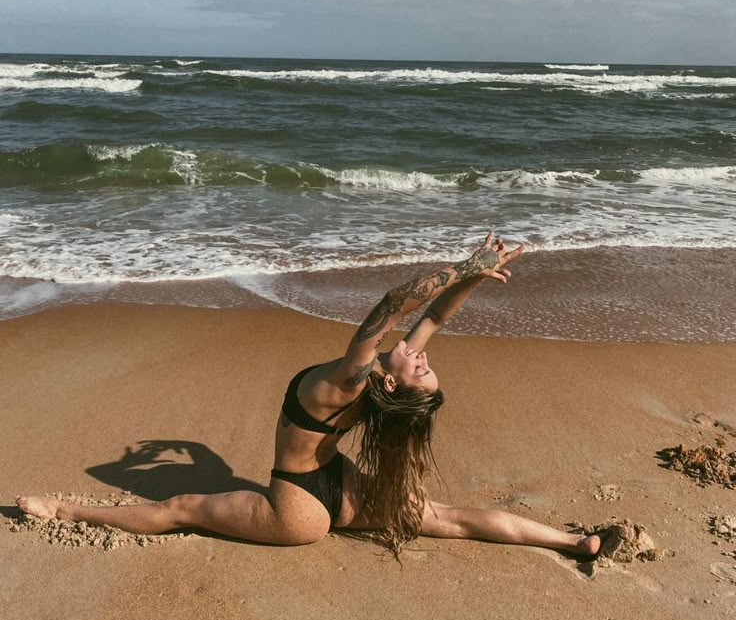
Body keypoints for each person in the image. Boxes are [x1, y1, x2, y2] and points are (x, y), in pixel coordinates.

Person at [16, 232, 600, 560]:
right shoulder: (379, 390)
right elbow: (434, 319)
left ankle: (63, 510)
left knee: (182, 510)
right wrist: (475, 277)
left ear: (394, 382)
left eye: (422, 369)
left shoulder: (353, 377)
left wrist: (460, 267)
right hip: (341, 485)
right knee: (451, 519)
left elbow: (391, 305)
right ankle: (574, 542)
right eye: (426, 364)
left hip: (297, 504)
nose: (422, 356)